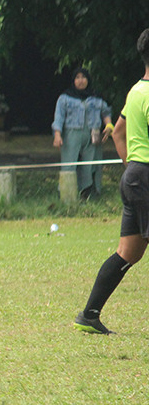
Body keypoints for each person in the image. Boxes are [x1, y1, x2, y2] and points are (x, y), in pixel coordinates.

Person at [74, 29, 149, 334]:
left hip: (135, 177)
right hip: (145, 177)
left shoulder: (136, 91)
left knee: (128, 252)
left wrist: (132, 167)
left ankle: (89, 315)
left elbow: (118, 132)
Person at [52, 67, 114, 199]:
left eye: (83, 77)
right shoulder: (65, 98)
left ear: (88, 79)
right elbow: (59, 117)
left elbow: (106, 112)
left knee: (90, 164)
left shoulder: (96, 97)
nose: (81, 81)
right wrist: (57, 135)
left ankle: (88, 193)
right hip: (71, 134)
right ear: (73, 80)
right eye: (77, 78)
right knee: (69, 163)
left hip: (92, 134)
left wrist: (109, 125)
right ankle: (66, 194)